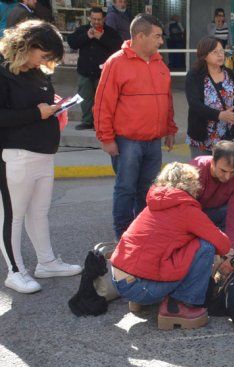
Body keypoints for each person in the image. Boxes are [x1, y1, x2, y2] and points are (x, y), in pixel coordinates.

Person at [0, 20, 83, 294]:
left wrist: (56, 107)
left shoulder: (37, 72)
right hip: (16, 154)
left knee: (39, 213)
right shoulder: (3, 71)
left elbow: (40, 103)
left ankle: (46, 262)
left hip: (43, 153)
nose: (45, 61)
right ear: (28, 45)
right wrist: (38, 113)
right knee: (12, 216)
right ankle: (15, 272)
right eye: (44, 55)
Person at [111, 162, 231, 330]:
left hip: (120, 280)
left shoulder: (154, 203)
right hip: (140, 286)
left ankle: (141, 301)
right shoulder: (186, 209)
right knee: (205, 246)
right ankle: (179, 306)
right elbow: (223, 244)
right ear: (192, 184)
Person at [94, 13, 177, 239]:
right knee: (126, 189)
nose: (161, 41)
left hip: (153, 141)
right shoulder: (116, 63)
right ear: (140, 36)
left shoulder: (159, 63)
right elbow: (102, 104)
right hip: (127, 141)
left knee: (148, 190)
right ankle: (123, 236)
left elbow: (167, 100)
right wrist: (106, 138)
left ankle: (144, 232)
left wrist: (170, 129)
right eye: (157, 36)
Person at [190, 140, 234, 248]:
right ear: (213, 162)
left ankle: (219, 233)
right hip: (194, 213)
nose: (227, 177)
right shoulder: (196, 169)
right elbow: (184, 208)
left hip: (217, 211)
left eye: (233, 171)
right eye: (223, 171)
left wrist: (230, 247)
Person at [185, 36, 234, 158]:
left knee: (226, 170)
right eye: (215, 52)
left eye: (222, 51)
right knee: (201, 170)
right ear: (204, 55)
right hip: (202, 139)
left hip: (227, 139)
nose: (220, 55)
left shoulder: (230, 74)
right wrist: (219, 115)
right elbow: (194, 104)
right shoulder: (194, 75)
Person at [66, 7, 121, 130]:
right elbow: (72, 42)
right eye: (94, 19)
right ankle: (87, 121)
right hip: (85, 71)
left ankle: (99, 122)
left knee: (102, 100)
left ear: (104, 19)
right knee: (85, 98)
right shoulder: (82, 29)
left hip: (103, 72)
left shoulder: (110, 32)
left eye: (99, 19)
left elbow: (118, 47)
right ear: (89, 18)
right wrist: (87, 36)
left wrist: (101, 37)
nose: (96, 22)